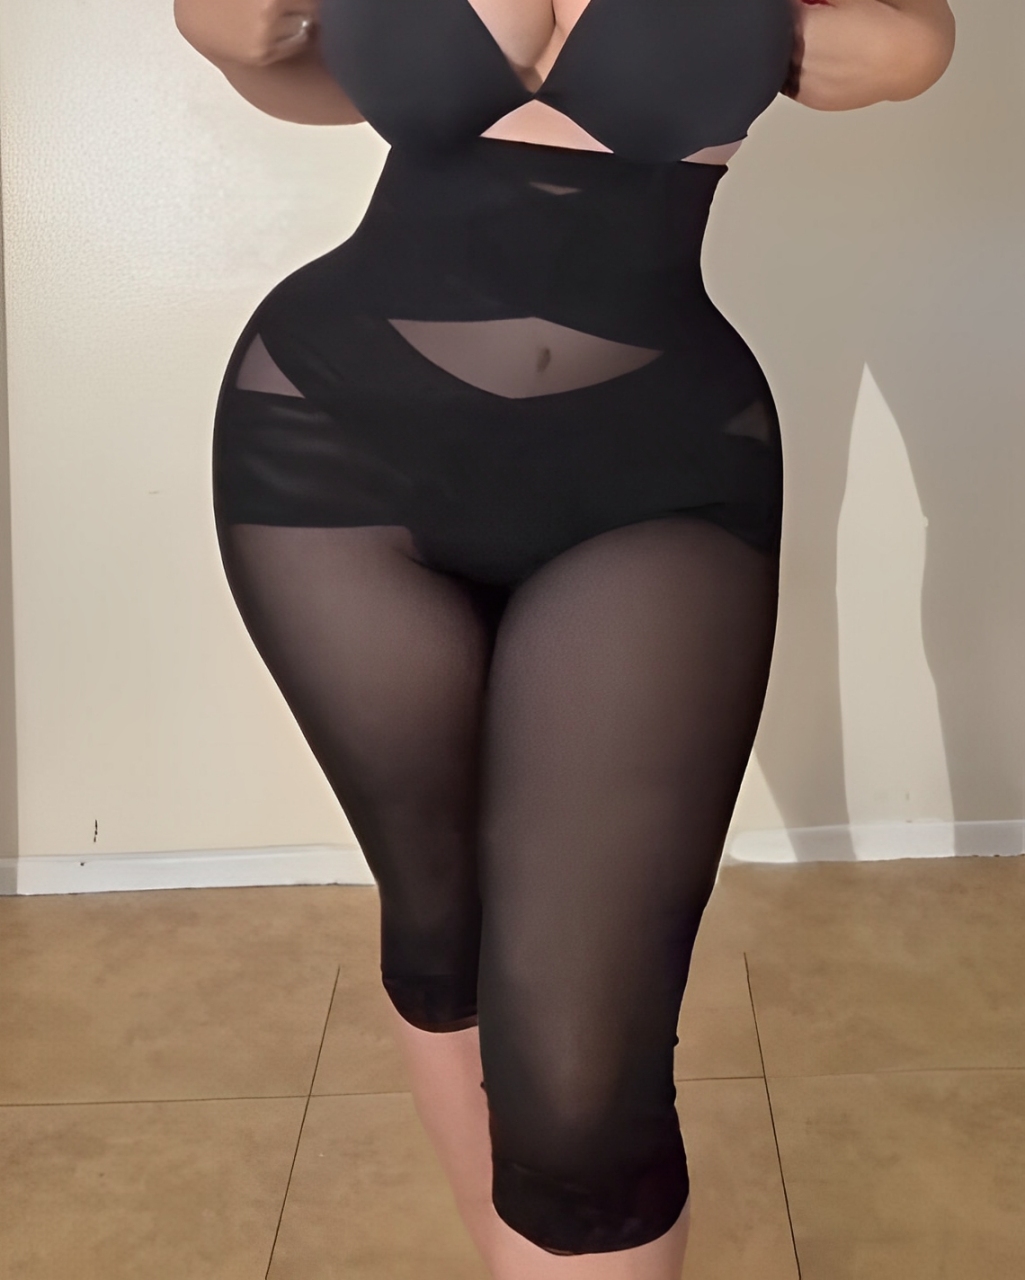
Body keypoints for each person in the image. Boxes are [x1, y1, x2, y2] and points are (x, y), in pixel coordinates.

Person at [174, 3, 955, 1276]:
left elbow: (902, 51)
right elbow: (254, 46)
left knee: (585, 1090)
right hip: (331, 445)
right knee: (441, 925)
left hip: (655, 473)